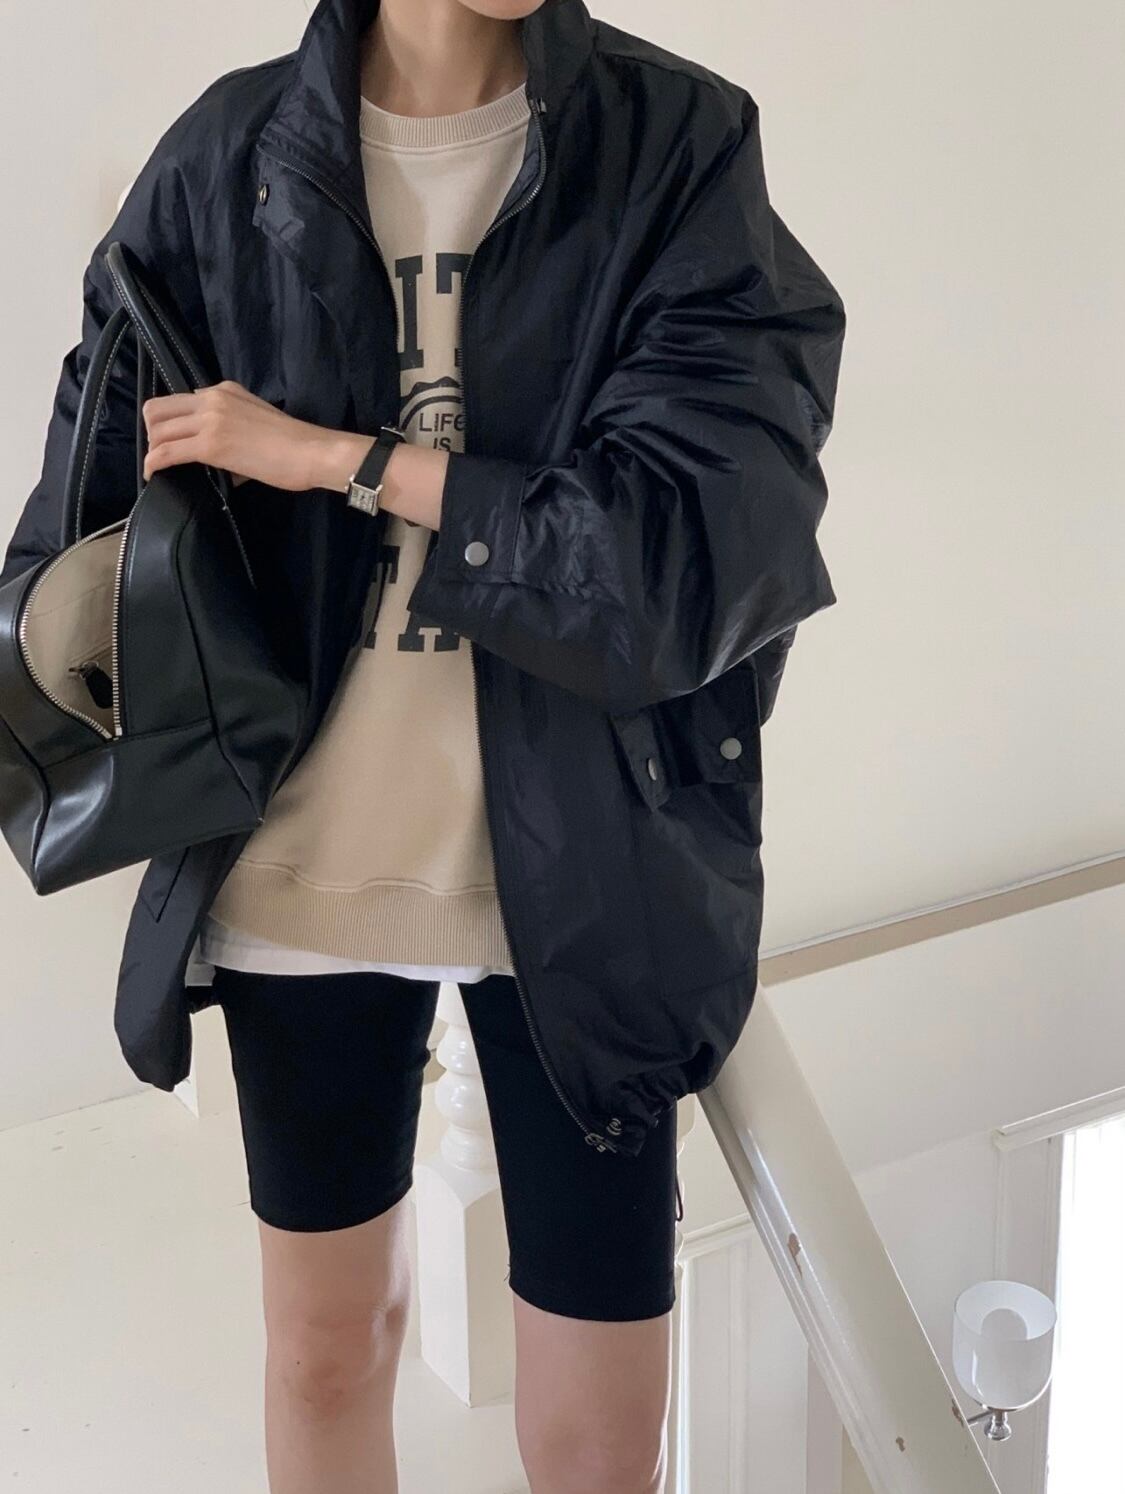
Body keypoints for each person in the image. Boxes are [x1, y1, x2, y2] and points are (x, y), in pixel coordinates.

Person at [2, 0, 845, 1488]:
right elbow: (80, 513)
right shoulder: (228, 156)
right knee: (323, 1354)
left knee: (598, 1441)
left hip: (593, 867)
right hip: (299, 857)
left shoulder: (674, 144)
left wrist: (342, 460)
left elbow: (688, 555)